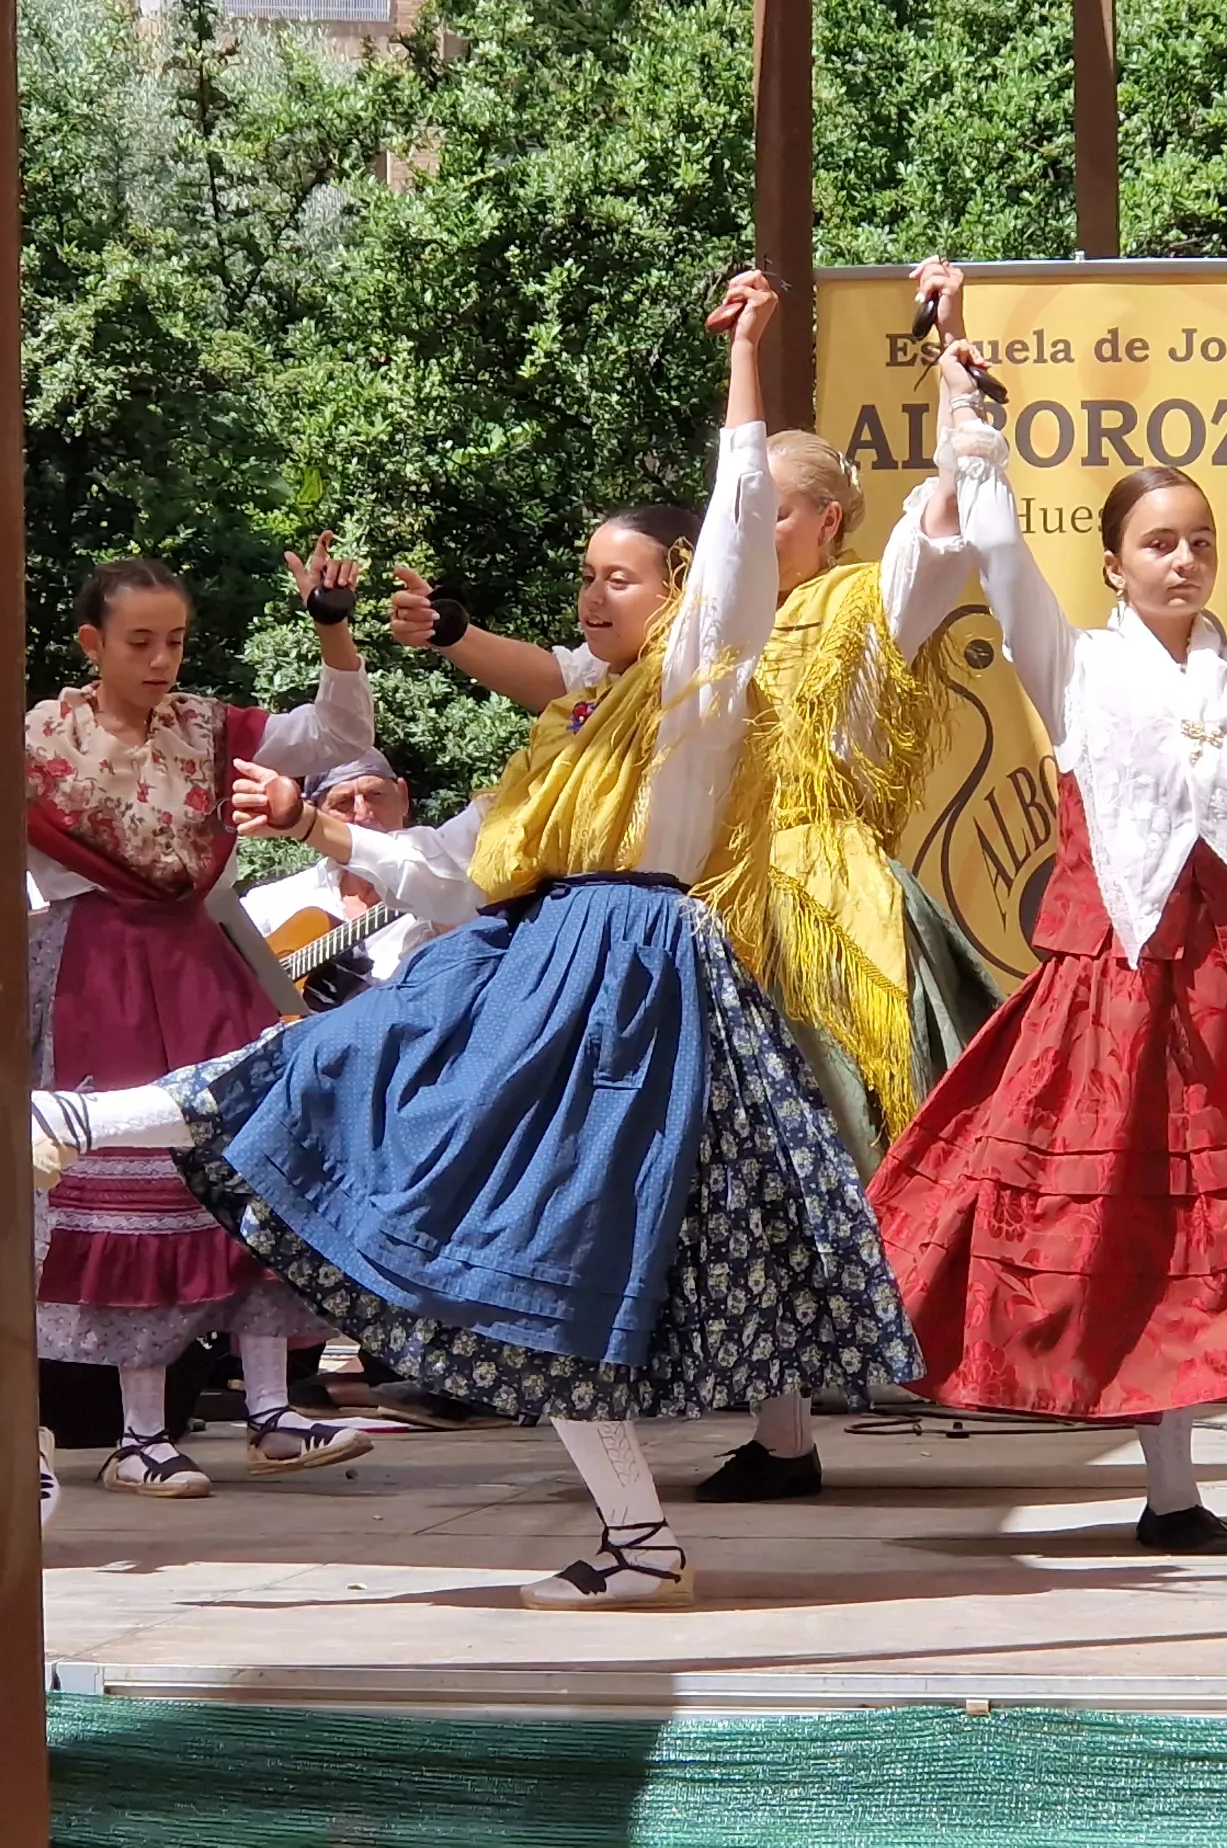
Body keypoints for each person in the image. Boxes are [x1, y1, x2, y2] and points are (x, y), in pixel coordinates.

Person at [29, 270, 919, 1610]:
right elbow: (449, 876)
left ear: (683, 590)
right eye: (587, 576)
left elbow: (739, 527)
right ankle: (76, 1124)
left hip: (623, 985)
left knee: (541, 1241)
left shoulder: (702, 680)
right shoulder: (574, 731)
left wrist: (746, 357)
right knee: (369, 1095)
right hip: (532, 961)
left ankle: (639, 1543)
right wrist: (317, 829)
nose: (593, 594)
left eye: (619, 576)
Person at [375, 256, 1006, 1508]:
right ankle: (772, 1431)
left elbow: (947, 515)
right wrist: (450, 635)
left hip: (829, 909)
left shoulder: (872, 598)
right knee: (739, 1171)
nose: (751, 527)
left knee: (858, 1145)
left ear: (828, 521)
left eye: (776, 511)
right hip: (707, 913)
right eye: (744, 509)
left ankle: (981, 1356)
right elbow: (567, 677)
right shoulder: (695, 632)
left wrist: (954, 359)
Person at [867, 354, 1227, 1554]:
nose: (1183, 559)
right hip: (1127, 984)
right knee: (1154, 1232)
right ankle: (1174, 1491)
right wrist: (963, 408)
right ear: (1112, 563)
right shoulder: (1072, 665)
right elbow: (995, 543)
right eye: (1157, 543)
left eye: (1198, 541)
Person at [25, 547, 381, 1499]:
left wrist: (332, 627)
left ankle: (271, 1412)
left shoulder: (207, 727)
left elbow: (339, 734)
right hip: (96, 966)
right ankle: (140, 1436)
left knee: (250, 1166)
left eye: (175, 641)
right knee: (133, 1186)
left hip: (201, 961)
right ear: (92, 642)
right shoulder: (39, 739)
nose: (161, 660)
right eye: (139, 641)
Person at [239, 753, 442, 1008]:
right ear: (316, 813)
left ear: (403, 796)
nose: (362, 814)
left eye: (376, 795)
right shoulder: (270, 902)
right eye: (343, 802)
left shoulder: (440, 888)